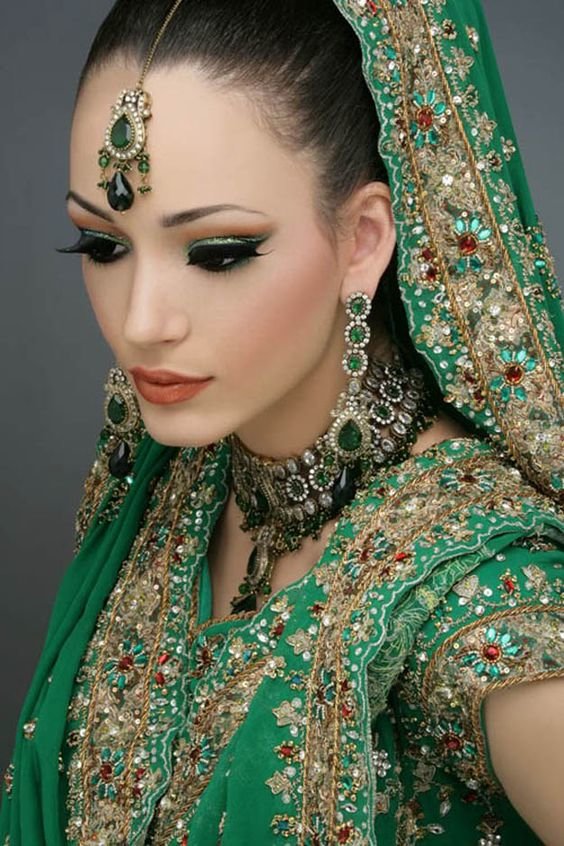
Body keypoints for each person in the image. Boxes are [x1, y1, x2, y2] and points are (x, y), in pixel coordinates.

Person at [1, 0, 563, 843]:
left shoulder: (478, 600)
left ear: (363, 239)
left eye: (217, 253)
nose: (142, 321)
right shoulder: (175, 488)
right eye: (103, 246)